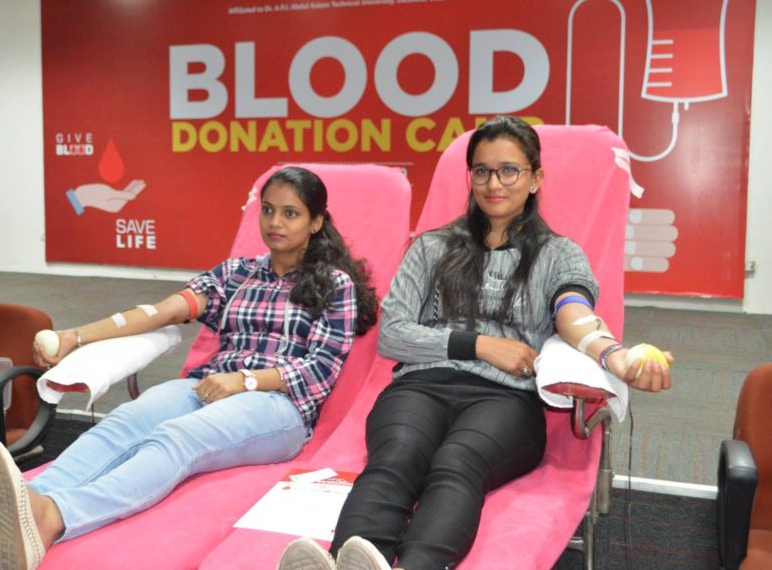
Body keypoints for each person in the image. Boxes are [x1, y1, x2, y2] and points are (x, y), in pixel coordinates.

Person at [278, 117, 674, 570]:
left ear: (535, 178)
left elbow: (574, 314)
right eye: (482, 171)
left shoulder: (557, 254)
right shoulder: (431, 247)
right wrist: (480, 345)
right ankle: (343, 563)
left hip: (506, 398)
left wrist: (614, 356)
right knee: (396, 458)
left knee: (456, 462)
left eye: (509, 171)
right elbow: (393, 333)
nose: (494, 183)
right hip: (420, 386)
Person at [0, 166, 379, 570]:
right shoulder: (237, 273)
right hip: (210, 385)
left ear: (316, 222)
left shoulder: (334, 284)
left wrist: (244, 381)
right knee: (126, 421)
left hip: (277, 405)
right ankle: (16, 504)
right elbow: (161, 312)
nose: (275, 222)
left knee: (176, 437)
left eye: (290, 213)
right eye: (267, 210)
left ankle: (53, 517)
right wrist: (74, 336)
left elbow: (320, 370)